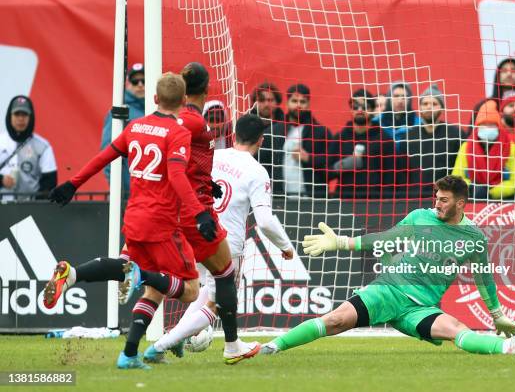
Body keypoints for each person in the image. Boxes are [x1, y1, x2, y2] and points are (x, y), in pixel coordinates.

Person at [261, 175, 515, 356]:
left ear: (461, 204)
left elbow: (483, 278)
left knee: (455, 327)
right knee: (334, 320)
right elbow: (384, 239)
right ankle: (271, 347)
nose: (437, 204)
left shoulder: (474, 238)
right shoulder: (420, 217)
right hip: (389, 289)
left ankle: (510, 347)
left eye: (444, 200)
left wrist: (497, 313)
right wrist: (341, 242)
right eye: (436, 198)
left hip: (420, 308)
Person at [45, 73, 212, 369]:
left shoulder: (136, 126)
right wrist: (199, 213)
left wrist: (73, 183)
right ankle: (140, 275)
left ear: (156, 99)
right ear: (184, 101)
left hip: (134, 218)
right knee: (190, 289)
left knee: (151, 285)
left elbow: (104, 156)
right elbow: (175, 175)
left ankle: (126, 350)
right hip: (161, 224)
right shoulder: (178, 132)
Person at [145, 114, 295, 359]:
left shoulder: (215, 157)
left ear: (235, 135)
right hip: (226, 245)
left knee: (205, 294)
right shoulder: (257, 172)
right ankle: (159, 346)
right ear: (261, 140)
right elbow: (265, 221)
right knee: (214, 304)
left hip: (194, 233)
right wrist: (286, 246)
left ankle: (176, 339)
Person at [397, 84, 465, 198]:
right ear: (420, 108)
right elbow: (401, 172)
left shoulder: (455, 134)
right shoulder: (408, 136)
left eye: (434, 104)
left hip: (446, 197)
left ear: (442, 107)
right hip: (414, 198)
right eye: (425, 104)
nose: (429, 107)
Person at [269, 84, 335, 197]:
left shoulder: (321, 132)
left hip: (313, 199)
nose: (298, 105)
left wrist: (309, 158)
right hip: (280, 198)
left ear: (308, 104)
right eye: (294, 101)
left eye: (302, 102)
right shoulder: (274, 131)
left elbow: (332, 163)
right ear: (287, 103)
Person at [452, 101, 515, 200]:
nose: (488, 128)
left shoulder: (513, 148)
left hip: (503, 202)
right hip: (471, 200)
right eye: (484, 124)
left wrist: (491, 193)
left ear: (498, 127)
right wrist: (471, 188)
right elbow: (456, 178)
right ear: (477, 127)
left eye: (492, 125)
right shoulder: (466, 147)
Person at [332, 89, 396, 198]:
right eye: (355, 106)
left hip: (374, 203)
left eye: (365, 106)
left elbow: (391, 177)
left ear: (371, 109)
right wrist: (344, 164)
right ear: (351, 109)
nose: (360, 110)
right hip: (344, 200)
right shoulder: (340, 137)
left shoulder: (385, 139)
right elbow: (326, 172)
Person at [0, 95, 57, 201]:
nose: (20, 119)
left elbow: (50, 182)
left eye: (24, 114)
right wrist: (1, 180)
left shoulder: (43, 146)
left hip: (29, 209)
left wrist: (35, 207)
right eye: (17, 114)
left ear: (30, 117)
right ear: (9, 116)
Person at [100, 63, 146, 195]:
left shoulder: (156, 109)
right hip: (128, 193)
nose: (140, 85)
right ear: (128, 83)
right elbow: (108, 152)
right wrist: (118, 192)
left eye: (144, 80)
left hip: (154, 193)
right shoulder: (120, 111)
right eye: (135, 81)